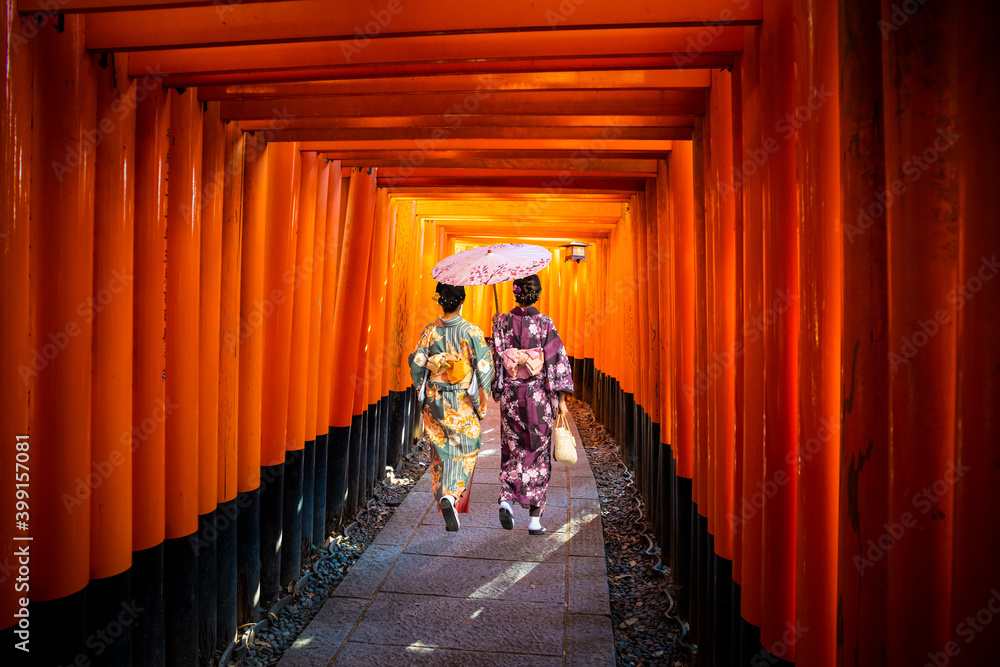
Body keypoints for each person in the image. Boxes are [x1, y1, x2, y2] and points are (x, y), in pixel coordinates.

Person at [490, 273, 574, 535]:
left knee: (513, 448)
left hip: (512, 397)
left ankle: (507, 499)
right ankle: (535, 520)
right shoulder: (544, 322)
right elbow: (557, 361)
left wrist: (499, 386)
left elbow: (497, 359)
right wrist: (561, 399)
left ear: (515, 293)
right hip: (538, 396)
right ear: (537, 294)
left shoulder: (501, 322)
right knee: (537, 453)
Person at [408, 282, 495, 532]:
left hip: (436, 399)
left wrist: (423, 391)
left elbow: (417, 364)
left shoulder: (430, 332)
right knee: (468, 446)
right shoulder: (472, 332)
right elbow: (484, 368)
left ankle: (443, 495)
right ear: (462, 302)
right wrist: (482, 395)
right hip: (462, 400)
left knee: (441, 448)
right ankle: (452, 495)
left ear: (440, 301)